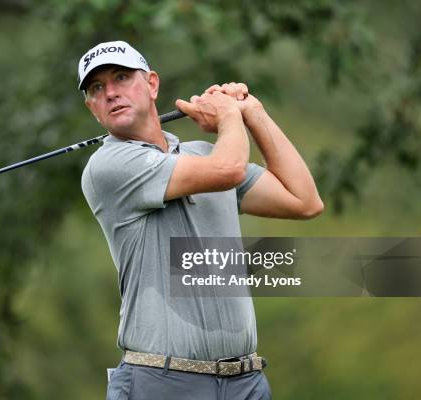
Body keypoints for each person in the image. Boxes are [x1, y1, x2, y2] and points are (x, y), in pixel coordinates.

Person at [78, 40, 323, 400]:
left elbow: (304, 200)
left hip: (246, 380)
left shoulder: (201, 156)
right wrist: (227, 117)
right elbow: (228, 169)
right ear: (92, 106)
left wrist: (252, 112)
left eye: (122, 77)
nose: (111, 92)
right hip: (162, 380)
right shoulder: (108, 167)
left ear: (152, 84)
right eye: (97, 88)